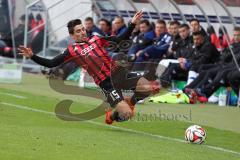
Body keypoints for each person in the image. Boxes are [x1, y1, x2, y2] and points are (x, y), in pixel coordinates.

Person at [18, 11, 160, 125]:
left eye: (83, 29)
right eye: (78, 31)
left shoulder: (96, 39)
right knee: (126, 114)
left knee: (147, 88)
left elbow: (119, 40)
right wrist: (33, 56)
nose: (82, 32)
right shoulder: (71, 50)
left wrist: (131, 24)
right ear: (72, 35)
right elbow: (51, 63)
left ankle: (132, 101)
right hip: (106, 83)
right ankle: (112, 115)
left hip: (119, 72)